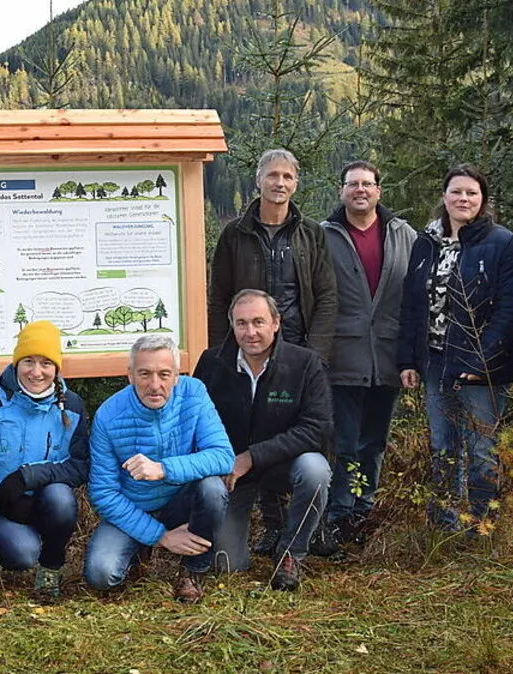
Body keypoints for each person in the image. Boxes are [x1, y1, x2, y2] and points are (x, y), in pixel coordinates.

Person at [206, 148, 337, 554]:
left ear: (296, 183)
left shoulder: (311, 233)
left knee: (303, 441)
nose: (280, 183)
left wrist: (314, 354)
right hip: (248, 347)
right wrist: (222, 354)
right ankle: (270, 524)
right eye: (272, 176)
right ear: (258, 181)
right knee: (253, 426)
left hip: (297, 349)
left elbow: (327, 295)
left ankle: (305, 529)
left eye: (287, 177)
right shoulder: (236, 233)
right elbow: (219, 297)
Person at [396, 165, 513, 533]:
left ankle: (482, 525)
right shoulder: (427, 242)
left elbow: (509, 309)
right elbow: (412, 304)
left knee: (482, 448)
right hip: (436, 361)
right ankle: (445, 524)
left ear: (482, 200)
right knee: (443, 446)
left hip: (481, 367)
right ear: (444, 197)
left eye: (471, 193)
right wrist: (408, 358)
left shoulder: (502, 243)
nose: (463, 199)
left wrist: (482, 358)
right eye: (456, 192)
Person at [194, 290, 332, 591]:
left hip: (284, 465)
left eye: (259, 322)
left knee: (316, 470)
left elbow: (317, 428)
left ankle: (291, 553)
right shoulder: (211, 363)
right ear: (232, 325)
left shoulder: (305, 364)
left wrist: (253, 456)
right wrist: (216, 461)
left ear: (276, 323)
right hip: (231, 474)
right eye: (241, 323)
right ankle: (261, 527)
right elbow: (194, 422)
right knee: (227, 565)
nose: (250, 332)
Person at [84, 335, 234, 603]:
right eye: (145, 374)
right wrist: (160, 536)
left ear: (177, 375)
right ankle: (141, 549)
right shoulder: (108, 415)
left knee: (213, 487)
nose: (155, 385)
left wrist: (164, 469)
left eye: (164, 374)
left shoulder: (194, 393)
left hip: (181, 501)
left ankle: (193, 570)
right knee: (101, 574)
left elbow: (223, 457)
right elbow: (103, 493)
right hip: (135, 506)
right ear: (129, 375)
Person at [319, 160, 416, 551]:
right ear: (342, 191)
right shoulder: (324, 236)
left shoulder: (402, 234)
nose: (360, 190)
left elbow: (416, 299)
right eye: (352, 184)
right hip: (341, 356)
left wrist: (411, 356)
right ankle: (339, 515)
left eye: (367, 184)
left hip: (387, 357)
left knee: (373, 441)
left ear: (379, 190)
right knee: (341, 441)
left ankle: (364, 509)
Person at [0, 321, 89, 599]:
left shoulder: (73, 407)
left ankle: (51, 569)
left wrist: (29, 477)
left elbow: (80, 465)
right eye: (28, 361)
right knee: (22, 555)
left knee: (62, 498)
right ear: (16, 362)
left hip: (42, 503)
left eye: (46, 363)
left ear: (56, 367)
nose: (36, 372)